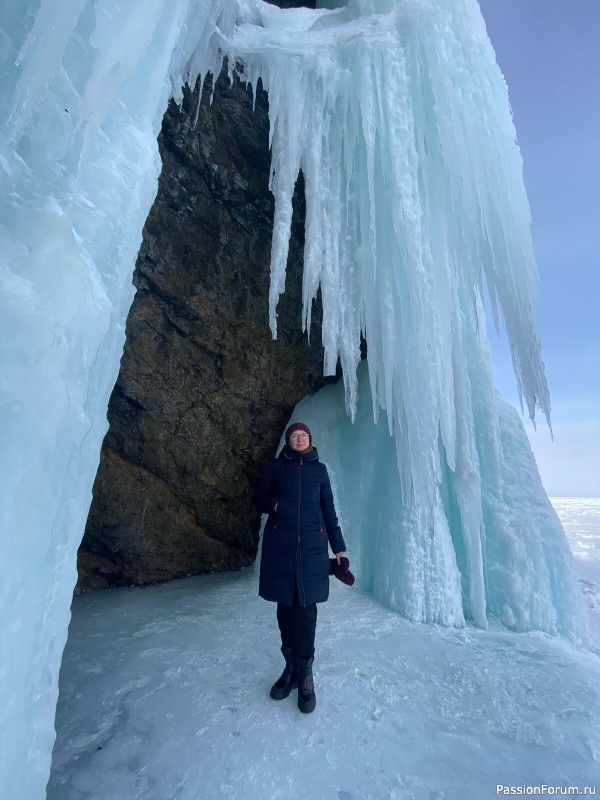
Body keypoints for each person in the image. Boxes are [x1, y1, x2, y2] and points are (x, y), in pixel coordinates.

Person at [253, 422, 347, 714]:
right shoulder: (277, 468)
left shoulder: (320, 472)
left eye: (303, 435)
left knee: (306, 610)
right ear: (289, 441)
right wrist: (277, 505)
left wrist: (339, 548)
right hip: (281, 548)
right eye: (294, 436)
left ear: (310, 439)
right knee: (285, 608)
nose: (299, 439)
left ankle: (305, 674)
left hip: (312, 550)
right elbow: (258, 496)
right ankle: (290, 668)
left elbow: (328, 510)